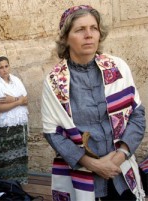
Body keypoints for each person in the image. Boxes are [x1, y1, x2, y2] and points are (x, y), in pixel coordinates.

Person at [41, 5, 146, 201]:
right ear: (65, 38)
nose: (88, 35)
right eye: (80, 29)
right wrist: (94, 165)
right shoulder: (55, 82)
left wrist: (120, 155)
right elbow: (52, 132)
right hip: (82, 178)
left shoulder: (118, 68)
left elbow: (137, 114)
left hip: (121, 173)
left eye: (94, 28)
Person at [0, 55, 29, 184]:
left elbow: (26, 101)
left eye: (6, 66)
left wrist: (13, 100)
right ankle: (5, 186)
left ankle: (19, 185)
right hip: (4, 128)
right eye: (1, 67)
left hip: (20, 125)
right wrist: (19, 100)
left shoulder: (16, 80)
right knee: (4, 159)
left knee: (20, 156)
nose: (4, 70)